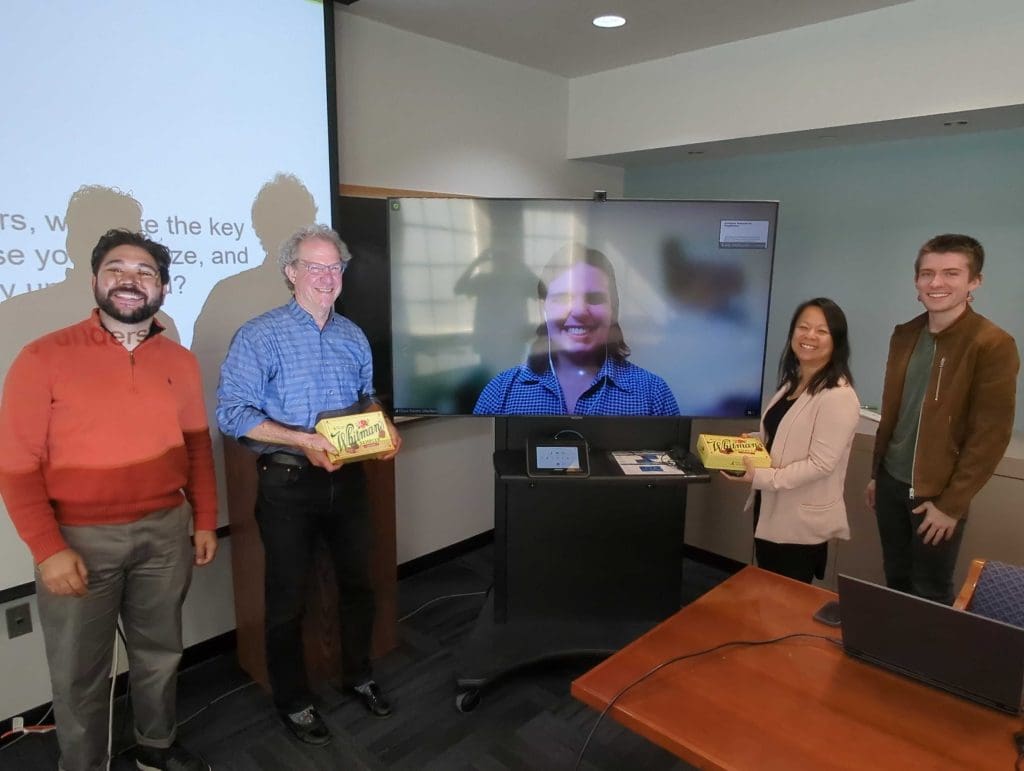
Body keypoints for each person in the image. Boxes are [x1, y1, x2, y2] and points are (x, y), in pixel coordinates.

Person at [0, 229, 218, 771]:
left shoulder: (180, 359)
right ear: (96, 281)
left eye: (144, 271)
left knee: (160, 652)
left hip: (167, 529)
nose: (129, 279)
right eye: (116, 269)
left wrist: (206, 520)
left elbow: (197, 449)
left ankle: (155, 747)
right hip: (79, 540)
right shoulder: (43, 356)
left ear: (163, 287)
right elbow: (15, 466)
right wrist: (47, 549)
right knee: (80, 672)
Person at [216, 224, 402, 746]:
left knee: (359, 586)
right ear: (290, 273)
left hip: (351, 483)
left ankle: (358, 676)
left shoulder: (352, 335)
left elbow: (366, 398)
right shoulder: (259, 335)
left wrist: (381, 426)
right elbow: (234, 414)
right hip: (288, 485)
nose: (326, 277)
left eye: (334, 267)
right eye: (314, 266)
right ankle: (293, 702)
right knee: (287, 602)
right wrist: (302, 442)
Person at [866, 234, 1019, 604]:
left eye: (951, 273)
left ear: (974, 281)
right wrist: (877, 474)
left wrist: (952, 505)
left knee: (930, 590)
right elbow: (896, 414)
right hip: (890, 483)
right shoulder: (905, 335)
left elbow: (990, 436)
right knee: (896, 578)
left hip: (938, 494)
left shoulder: (992, 344)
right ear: (916, 281)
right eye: (927, 274)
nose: (936, 283)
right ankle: (892, 658)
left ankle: (923, 662)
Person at [722, 298, 860, 583]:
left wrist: (760, 476)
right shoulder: (793, 382)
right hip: (771, 506)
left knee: (785, 600)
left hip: (799, 522)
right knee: (767, 587)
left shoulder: (838, 395)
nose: (810, 336)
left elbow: (821, 465)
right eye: (803, 327)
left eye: (822, 331)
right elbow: (780, 435)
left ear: (837, 341)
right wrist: (748, 442)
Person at [472, 243, 679, 415]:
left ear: (614, 310)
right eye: (563, 298)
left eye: (595, 298)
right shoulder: (499, 393)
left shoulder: (654, 395)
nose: (579, 310)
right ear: (542, 307)